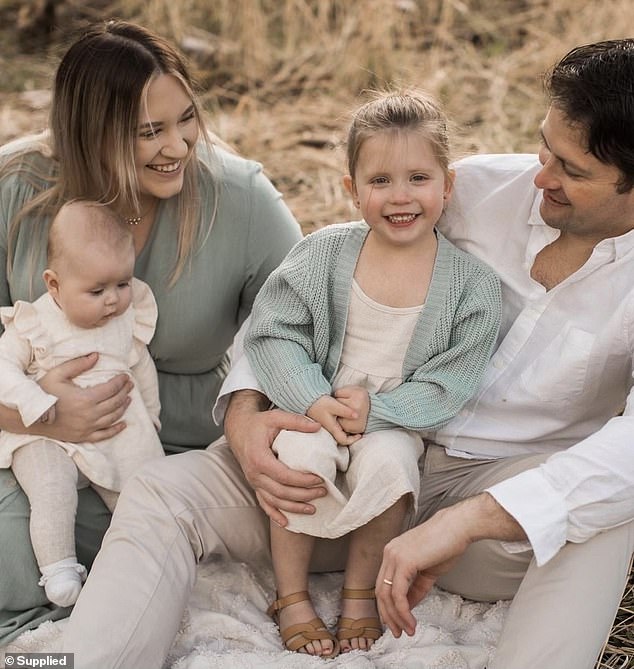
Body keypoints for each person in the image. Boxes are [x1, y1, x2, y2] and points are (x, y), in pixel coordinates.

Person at [61, 38, 634, 669]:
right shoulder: (478, 190)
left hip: (484, 504)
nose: (540, 178)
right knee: (163, 493)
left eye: (572, 172)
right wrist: (248, 414)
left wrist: (472, 520)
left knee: (601, 517)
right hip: (325, 472)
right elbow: (294, 308)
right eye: (544, 148)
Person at [0, 19, 302, 643]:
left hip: (162, 456)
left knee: (27, 572)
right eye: (149, 132)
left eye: (185, 119)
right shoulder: (17, 187)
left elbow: (301, 333)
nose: (179, 146)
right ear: (89, 134)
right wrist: (41, 417)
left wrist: (246, 415)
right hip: (24, 442)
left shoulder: (240, 199)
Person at [243, 90, 501, 656]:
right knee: (301, 459)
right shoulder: (322, 254)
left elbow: (449, 381)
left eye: (418, 178)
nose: (400, 196)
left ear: (447, 185)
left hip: (394, 420)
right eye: (380, 181)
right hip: (317, 406)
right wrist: (312, 400)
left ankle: (360, 592)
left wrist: (380, 411)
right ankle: (291, 594)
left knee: (390, 470)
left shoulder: (471, 287)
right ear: (351, 189)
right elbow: (274, 333)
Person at [0, 200, 164, 608]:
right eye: (97, 291)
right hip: (43, 434)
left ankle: (147, 563)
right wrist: (33, 400)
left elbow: (141, 367)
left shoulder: (125, 320)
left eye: (122, 285)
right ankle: (58, 568)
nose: (113, 300)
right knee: (52, 490)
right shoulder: (34, 322)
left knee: (141, 492)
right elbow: (3, 368)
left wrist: (153, 418)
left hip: (116, 428)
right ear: (54, 284)